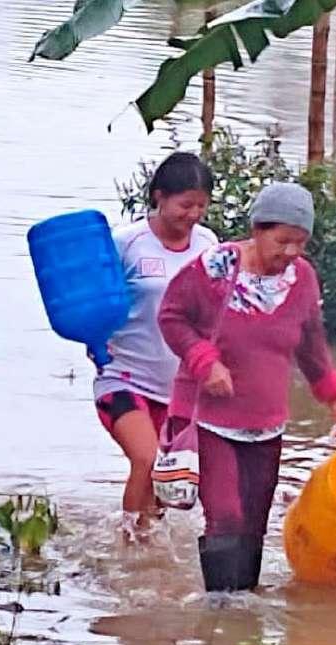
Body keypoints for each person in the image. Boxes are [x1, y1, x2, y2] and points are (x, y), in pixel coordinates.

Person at [159, 182, 336, 592]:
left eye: (300, 242)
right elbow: (172, 316)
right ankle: (221, 608)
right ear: (257, 230)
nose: (290, 252)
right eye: (282, 240)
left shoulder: (302, 279)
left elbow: (311, 347)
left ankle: (245, 605)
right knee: (226, 517)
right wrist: (205, 361)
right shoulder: (216, 268)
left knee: (254, 523)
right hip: (211, 419)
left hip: (266, 423)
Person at [95, 152, 218, 540]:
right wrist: (93, 341)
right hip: (123, 378)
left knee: (167, 478)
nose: (193, 214)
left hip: (180, 388)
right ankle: (127, 551)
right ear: (159, 197)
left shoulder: (209, 245)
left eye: (201, 206)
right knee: (146, 459)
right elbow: (92, 302)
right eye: (185, 204)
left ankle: (150, 549)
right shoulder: (126, 243)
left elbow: (217, 310)